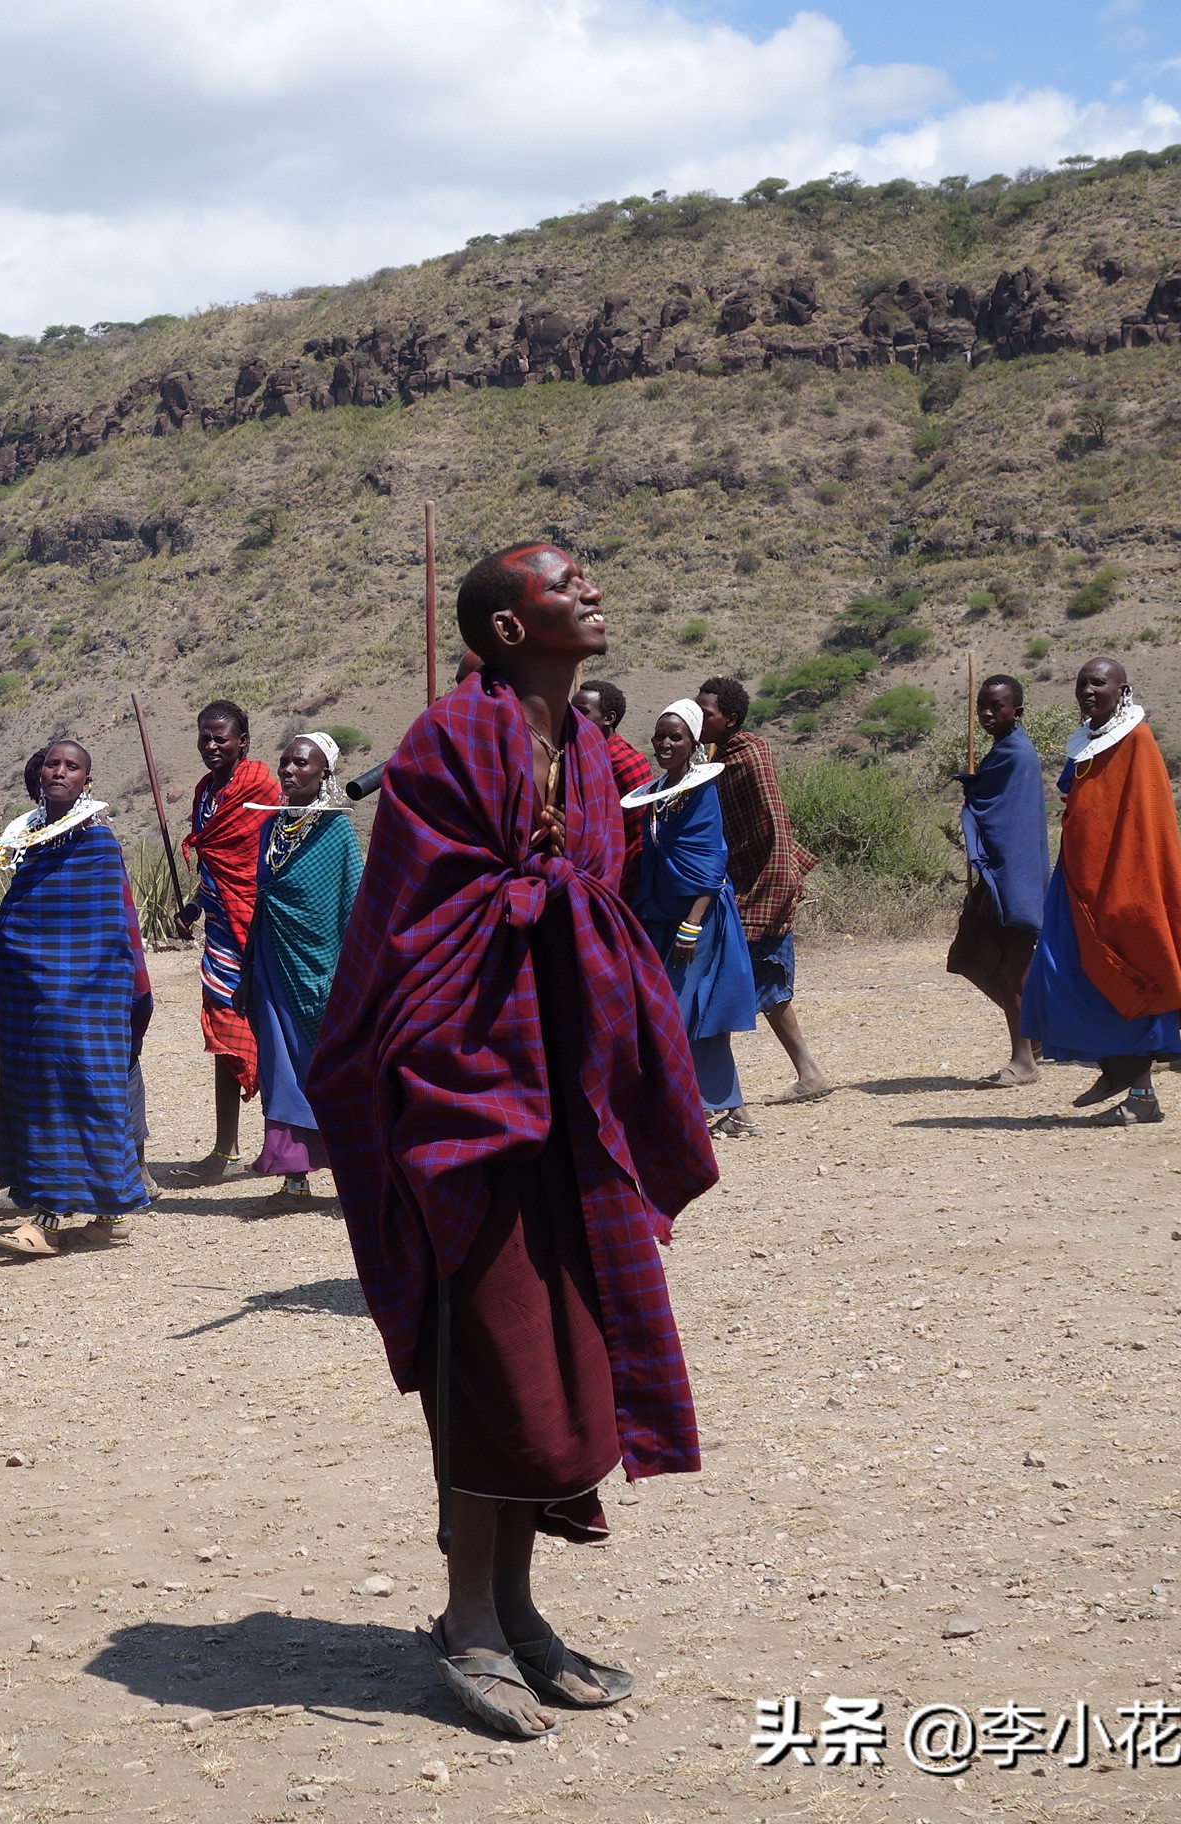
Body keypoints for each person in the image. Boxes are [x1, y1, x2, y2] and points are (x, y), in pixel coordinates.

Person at [311, 544, 713, 1741]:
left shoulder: (591, 756)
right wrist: (543, 905)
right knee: (485, 1359)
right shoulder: (452, 739)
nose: (590, 588)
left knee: (557, 1360)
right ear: (501, 630)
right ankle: (469, 1622)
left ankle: (520, 1615)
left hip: (566, 1095)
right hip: (464, 1089)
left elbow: (583, 900)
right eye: (562, 581)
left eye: (593, 573)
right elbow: (425, 929)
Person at [0, 739, 155, 1256]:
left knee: (75, 1093)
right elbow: (16, 920)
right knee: (47, 1093)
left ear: (88, 780)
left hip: (82, 996)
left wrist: (74, 988)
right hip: (28, 994)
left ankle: (47, 1217)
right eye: (53, 764)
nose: (59, 771)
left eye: (72, 766)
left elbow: (109, 931)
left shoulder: (99, 844)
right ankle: (107, 1217)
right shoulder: (34, 841)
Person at [1018, 659, 1181, 1125]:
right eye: (1081, 682)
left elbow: (1146, 826)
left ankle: (1142, 1095)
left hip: (1124, 885)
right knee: (1062, 975)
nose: (1087, 690)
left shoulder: (1137, 741)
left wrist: (1131, 891)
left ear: (1123, 689)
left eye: (1097, 683)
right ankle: (1114, 1069)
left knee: (1133, 975)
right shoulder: (1086, 741)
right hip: (1077, 882)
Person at [236, 732, 362, 1207]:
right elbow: (263, 903)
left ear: (323, 773)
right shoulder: (272, 827)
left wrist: (355, 975)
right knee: (280, 1066)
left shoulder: (336, 832)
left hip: (322, 970)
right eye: (285, 762)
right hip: (272, 962)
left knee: (330, 1068)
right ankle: (294, 1175)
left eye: (301, 764)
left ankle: (358, 1167)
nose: (288, 771)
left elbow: (354, 905)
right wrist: (248, 972)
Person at [624, 700, 760, 1137]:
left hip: (696, 918)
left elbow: (710, 862)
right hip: (662, 913)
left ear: (694, 742)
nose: (664, 743)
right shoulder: (662, 792)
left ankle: (678, 1110)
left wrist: (691, 924)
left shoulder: (702, 792)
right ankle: (729, 1108)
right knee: (691, 1013)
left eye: (675, 736)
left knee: (676, 1014)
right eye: (660, 735)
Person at [695, 677, 833, 1100]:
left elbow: (774, 829)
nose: (698, 716)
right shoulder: (715, 758)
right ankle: (806, 1073)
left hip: (762, 888)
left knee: (736, 983)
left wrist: (770, 893)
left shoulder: (752, 757)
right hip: (734, 887)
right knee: (758, 985)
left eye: (707, 712)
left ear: (730, 720)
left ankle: (719, 1093)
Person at [169, 701, 280, 1181]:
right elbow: (214, 864)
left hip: (264, 927)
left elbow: (277, 855)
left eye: (221, 738)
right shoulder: (204, 793)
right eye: (204, 738)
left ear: (244, 742)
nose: (211, 746)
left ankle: (285, 1151)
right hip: (220, 928)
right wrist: (194, 907)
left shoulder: (262, 788)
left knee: (275, 1035)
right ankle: (225, 1149)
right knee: (224, 1032)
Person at [947, 676, 1050, 1086]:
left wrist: (974, 790)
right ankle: (1035, 1034)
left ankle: (1024, 1060)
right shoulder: (1002, 751)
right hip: (997, 877)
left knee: (1011, 970)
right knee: (970, 957)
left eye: (997, 707)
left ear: (1017, 711)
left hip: (1012, 878)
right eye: (982, 708)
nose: (988, 714)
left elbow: (1002, 815)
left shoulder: (1018, 754)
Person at [571, 680, 656, 891]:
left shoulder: (621, 763)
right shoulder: (589, 756)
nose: (572, 718)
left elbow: (632, 836)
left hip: (622, 875)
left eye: (582, 713)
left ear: (609, 718)